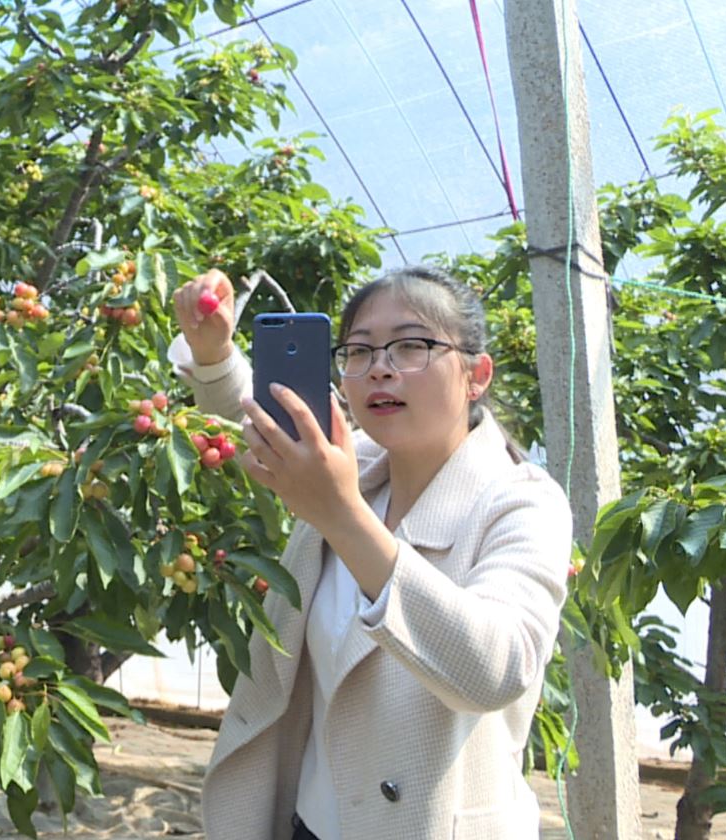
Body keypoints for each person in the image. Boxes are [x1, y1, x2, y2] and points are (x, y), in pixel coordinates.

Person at [168, 265, 572, 840]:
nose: (379, 366)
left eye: (412, 345)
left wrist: (342, 516)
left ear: (476, 375)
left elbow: (497, 669)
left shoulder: (521, 502)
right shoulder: (354, 466)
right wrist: (214, 354)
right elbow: (254, 427)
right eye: (358, 351)